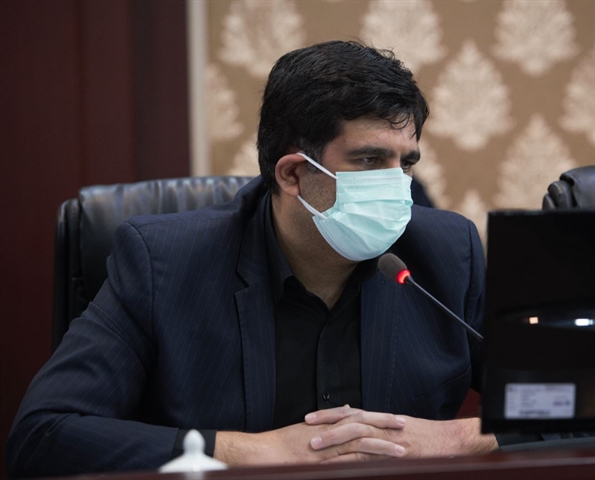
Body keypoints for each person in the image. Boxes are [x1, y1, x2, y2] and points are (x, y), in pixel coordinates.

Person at [6, 41, 496, 477]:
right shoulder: (163, 264)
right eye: (370, 160)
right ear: (293, 174)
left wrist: (454, 438)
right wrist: (248, 452)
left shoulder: (446, 253)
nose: (396, 184)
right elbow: (42, 436)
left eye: (405, 163)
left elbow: (546, 408)